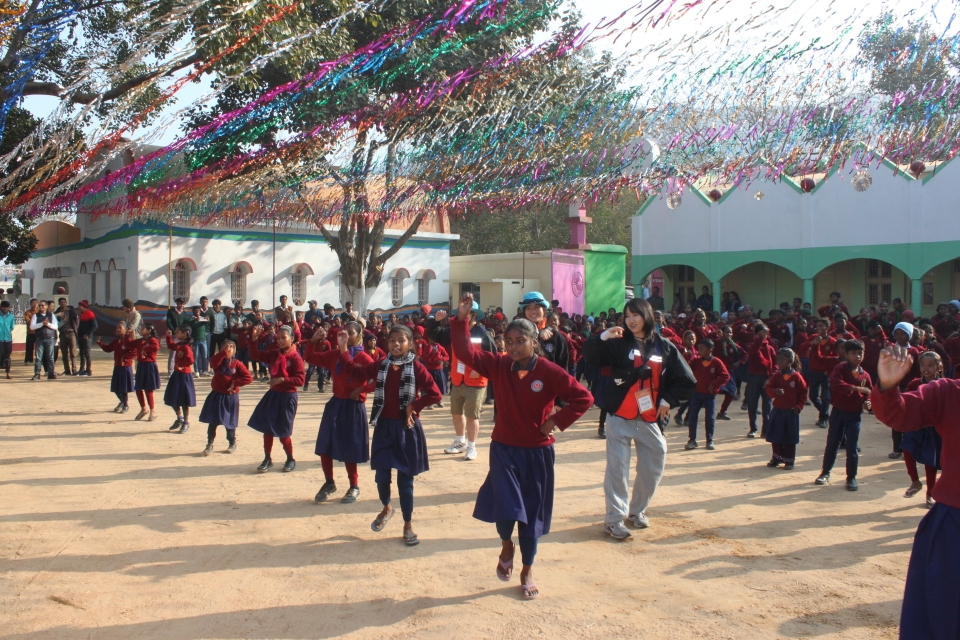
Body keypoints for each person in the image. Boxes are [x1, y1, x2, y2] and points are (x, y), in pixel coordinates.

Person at [449, 293, 592, 599]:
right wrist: (462, 318)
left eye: (520, 341)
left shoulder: (549, 372)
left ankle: (527, 569)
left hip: (537, 452)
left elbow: (584, 398)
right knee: (506, 509)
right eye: (509, 341)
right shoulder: (499, 365)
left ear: (534, 340)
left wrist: (554, 421)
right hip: (504, 449)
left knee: (531, 516)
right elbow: (464, 351)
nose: (512, 346)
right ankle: (505, 544)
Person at [582, 297, 696, 540]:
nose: (631, 320)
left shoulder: (665, 347)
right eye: (627, 315)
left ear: (647, 316)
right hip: (620, 417)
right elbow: (590, 357)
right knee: (617, 470)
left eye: (636, 315)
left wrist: (667, 401)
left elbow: (687, 380)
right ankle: (614, 520)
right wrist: (602, 336)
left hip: (649, 419)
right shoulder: (617, 344)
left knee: (654, 463)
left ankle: (637, 511)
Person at [869, 344, 960, 638]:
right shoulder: (949, 393)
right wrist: (887, 384)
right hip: (954, 526)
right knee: (943, 616)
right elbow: (899, 413)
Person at [336, 323, 441, 546]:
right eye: (392, 340)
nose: (396, 344)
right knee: (381, 477)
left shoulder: (417, 367)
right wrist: (344, 348)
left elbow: (435, 394)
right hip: (384, 427)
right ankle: (386, 506)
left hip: (406, 429)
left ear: (409, 343)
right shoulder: (382, 365)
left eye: (401, 341)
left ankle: (408, 524)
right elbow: (356, 372)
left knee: (405, 482)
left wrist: (414, 406)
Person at [304, 321, 374, 504]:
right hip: (336, 404)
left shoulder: (363, 358)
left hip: (353, 406)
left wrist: (361, 390)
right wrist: (313, 340)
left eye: (351, 333)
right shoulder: (335, 354)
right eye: (344, 332)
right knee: (325, 445)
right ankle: (329, 482)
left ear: (358, 335)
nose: (346, 336)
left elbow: (378, 379)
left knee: (350, 448)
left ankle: (354, 486)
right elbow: (309, 357)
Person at [426, 301, 495, 462]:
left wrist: (479, 369)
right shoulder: (454, 331)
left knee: (472, 416)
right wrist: (435, 321)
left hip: (476, 382)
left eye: (467, 313)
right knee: (456, 413)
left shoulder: (483, 334)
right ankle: (460, 441)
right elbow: (435, 336)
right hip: (458, 379)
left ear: (474, 315)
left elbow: (493, 358)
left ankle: (471, 446)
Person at [815, 339, 872, 491]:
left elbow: (869, 392)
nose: (857, 356)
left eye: (860, 353)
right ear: (846, 354)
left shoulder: (865, 374)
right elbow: (835, 383)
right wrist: (856, 389)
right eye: (853, 353)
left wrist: (868, 402)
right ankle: (825, 472)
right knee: (833, 442)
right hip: (839, 411)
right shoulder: (840, 368)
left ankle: (851, 477)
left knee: (852, 446)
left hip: (854, 414)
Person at [247, 324, 305, 473]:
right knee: (268, 428)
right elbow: (255, 355)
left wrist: (282, 380)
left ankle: (290, 458)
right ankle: (267, 458)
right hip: (273, 395)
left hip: (288, 397)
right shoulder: (274, 354)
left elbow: (300, 380)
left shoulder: (296, 358)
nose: (279, 341)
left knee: (284, 432)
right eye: (278, 338)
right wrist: (254, 340)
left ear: (292, 339)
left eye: (283, 338)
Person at [899, 351, 942, 508]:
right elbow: (906, 401)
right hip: (916, 425)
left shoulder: (943, 385)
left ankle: (930, 493)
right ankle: (915, 482)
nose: (926, 368)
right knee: (907, 450)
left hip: (934, 428)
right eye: (923, 365)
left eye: (931, 365)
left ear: (939, 367)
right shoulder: (914, 384)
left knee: (930, 462)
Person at [199, 340, 253, 455]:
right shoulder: (218, 363)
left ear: (234, 351)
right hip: (217, 395)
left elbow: (248, 378)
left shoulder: (237, 364)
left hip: (230, 397)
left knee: (230, 422)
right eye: (225, 348)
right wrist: (223, 353)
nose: (228, 350)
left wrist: (235, 382)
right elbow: (213, 360)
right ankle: (209, 443)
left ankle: (232, 442)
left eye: (231, 348)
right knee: (212, 421)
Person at [764, 348, 808, 469]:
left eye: (783, 359)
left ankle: (789, 460)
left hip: (791, 412)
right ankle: (776, 458)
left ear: (790, 361)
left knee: (789, 437)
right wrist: (774, 392)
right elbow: (768, 388)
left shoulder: (797, 377)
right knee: (776, 436)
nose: (780, 362)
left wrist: (799, 406)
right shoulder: (777, 376)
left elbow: (803, 393)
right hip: (778, 410)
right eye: (778, 359)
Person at [685, 339, 730, 450]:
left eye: (701, 349)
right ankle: (692, 439)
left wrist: (714, 384)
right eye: (698, 349)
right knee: (692, 416)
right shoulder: (696, 361)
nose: (699, 351)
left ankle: (709, 440)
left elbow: (725, 376)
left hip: (710, 395)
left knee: (710, 418)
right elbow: (686, 368)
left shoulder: (717, 362)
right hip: (696, 394)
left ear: (710, 349)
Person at [888, 322, 922, 460]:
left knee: (909, 419)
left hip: (908, 389)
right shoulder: (890, 349)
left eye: (903, 334)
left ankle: (910, 448)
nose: (900, 337)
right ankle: (897, 449)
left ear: (909, 335)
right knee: (896, 419)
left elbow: (917, 372)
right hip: (894, 388)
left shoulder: (914, 351)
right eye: (897, 333)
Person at [800, 318, 839, 428]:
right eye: (818, 326)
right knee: (812, 396)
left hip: (825, 372)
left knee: (825, 396)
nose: (819, 328)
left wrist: (829, 369)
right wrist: (812, 342)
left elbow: (836, 357)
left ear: (827, 327)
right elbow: (802, 348)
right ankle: (825, 414)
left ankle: (823, 419)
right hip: (813, 370)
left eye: (821, 326)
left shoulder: (832, 341)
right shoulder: (813, 337)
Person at [744, 324, 777, 438]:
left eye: (765, 334)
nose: (764, 337)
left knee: (767, 406)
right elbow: (753, 351)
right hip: (753, 377)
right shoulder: (751, 345)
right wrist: (759, 340)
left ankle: (766, 429)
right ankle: (753, 428)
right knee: (752, 404)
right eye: (761, 334)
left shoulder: (770, 349)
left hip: (766, 378)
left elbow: (775, 365)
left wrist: (770, 378)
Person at [164, 325, 197, 433]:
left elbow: (190, 360)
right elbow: (171, 346)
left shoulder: (187, 347)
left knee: (184, 400)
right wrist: (168, 337)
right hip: (176, 375)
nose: (175, 334)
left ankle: (186, 422)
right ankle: (179, 418)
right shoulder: (179, 345)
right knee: (172, 397)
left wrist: (181, 365)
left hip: (184, 376)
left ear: (184, 333)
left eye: (177, 332)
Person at [97, 323, 136, 413]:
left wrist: (125, 357)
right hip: (117, 366)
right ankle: (122, 401)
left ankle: (125, 405)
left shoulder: (128, 340)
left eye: (120, 328)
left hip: (125, 367)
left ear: (125, 329)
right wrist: (99, 343)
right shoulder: (116, 341)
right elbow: (108, 349)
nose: (118, 329)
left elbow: (134, 352)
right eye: (117, 328)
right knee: (115, 387)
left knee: (123, 388)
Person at [133, 324, 161, 422]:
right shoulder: (140, 340)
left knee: (148, 389)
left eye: (143, 329)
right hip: (141, 365)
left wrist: (145, 348)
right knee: (138, 388)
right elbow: (129, 344)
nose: (141, 330)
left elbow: (156, 347)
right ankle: (143, 408)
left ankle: (152, 410)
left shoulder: (153, 340)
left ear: (149, 330)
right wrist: (128, 336)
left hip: (149, 365)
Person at [29, 300, 57, 380]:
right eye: (40, 305)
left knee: (50, 358)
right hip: (39, 339)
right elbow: (32, 327)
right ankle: (37, 374)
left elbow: (55, 327)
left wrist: (47, 324)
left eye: (43, 305)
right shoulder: (36, 316)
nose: (41, 307)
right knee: (38, 358)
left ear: (47, 306)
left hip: (49, 338)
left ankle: (51, 373)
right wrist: (42, 324)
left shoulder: (51, 315)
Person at [165, 297, 190, 375]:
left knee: (182, 352)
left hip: (182, 335)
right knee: (173, 353)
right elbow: (168, 322)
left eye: (183, 304)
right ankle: (170, 370)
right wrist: (174, 331)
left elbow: (186, 323)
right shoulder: (171, 311)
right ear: (177, 303)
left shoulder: (184, 313)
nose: (181, 305)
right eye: (180, 303)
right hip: (174, 334)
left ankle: (180, 367)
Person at [55, 298, 78, 376]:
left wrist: (75, 328)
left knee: (73, 353)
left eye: (64, 302)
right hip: (62, 333)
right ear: (59, 303)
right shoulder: (58, 312)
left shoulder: (71, 311)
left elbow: (76, 319)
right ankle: (67, 370)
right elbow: (54, 321)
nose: (62, 304)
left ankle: (74, 369)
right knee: (64, 354)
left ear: (66, 302)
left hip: (71, 332)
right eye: (61, 302)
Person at [76, 300, 97, 376]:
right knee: (81, 353)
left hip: (87, 337)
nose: (79, 307)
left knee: (87, 353)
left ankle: (88, 370)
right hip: (80, 336)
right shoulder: (81, 314)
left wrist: (87, 334)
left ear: (84, 306)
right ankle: (82, 369)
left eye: (80, 306)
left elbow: (95, 325)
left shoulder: (90, 313)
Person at [188, 305, 210, 376]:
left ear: (200, 311)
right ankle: (196, 371)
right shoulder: (191, 319)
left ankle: (204, 370)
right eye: (195, 310)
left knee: (205, 356)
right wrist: (195, 320)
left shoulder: (203, 319)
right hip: (195, 340)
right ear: (193, 311)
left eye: (198, 310)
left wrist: (207, 320)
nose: (197, 312)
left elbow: (207, 325)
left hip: (203, 339)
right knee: (196, 356)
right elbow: (191, 324)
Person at [23, 298, 38, 364]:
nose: (34, 304)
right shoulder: (28, 312)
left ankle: (39, 359)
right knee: (29, 347)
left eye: (36, 303)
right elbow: (28, 321)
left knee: (39, 347)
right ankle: (28, 360)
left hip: (38, 332)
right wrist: (35, 322)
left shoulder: (39, 312)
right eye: (33, 303)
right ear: (30, 304)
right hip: (30, 332)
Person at [0, 301, 12, 379]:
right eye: (3, 307)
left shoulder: (11, 316)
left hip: (8, 339)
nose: (5, 309)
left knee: (8, 357)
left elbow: (12, 326)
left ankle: (8, 373)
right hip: (0, 339)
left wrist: (7, 331)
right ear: (1, 307)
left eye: (6, 307)